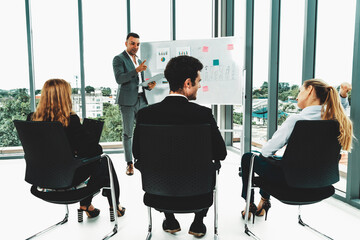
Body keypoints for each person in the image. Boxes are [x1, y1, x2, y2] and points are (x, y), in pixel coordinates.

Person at [132, 55, 227, 238]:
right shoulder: (203, 115)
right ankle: (198, 222)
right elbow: (221, 154)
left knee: (165, 164)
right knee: (208, 166)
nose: (199, 85)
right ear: (188, 83)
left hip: (157, 193)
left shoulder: (146, 115)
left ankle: (170, 219)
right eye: (198, 81)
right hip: (199, 193)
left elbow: (137, 153)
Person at [240, 79, 353, 222]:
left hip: (289, 184)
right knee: (275, 161)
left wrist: (272, 149)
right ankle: (264, 202)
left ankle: (250, 203)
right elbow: (343, 109)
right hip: (321, 184)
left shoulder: (296, 120)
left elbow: (266, 152)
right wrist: (342, 95)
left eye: (300, 91)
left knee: (249, 157)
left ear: (310, 90)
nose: (297, 96)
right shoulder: (337, 120)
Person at [27, 79, 125, 220]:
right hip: (68, 181)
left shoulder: (31, 119)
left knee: (91, 164)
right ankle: (114, 206)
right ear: (64, 97)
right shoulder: (70, 120)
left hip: (42, 181)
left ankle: (87, 206)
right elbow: (96, 151)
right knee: (104, 162)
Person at [112, 32, 156, 176]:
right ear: (126, 43)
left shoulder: (139, 60)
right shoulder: (118, 59)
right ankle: (129, 163)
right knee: (128, 133)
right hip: (127, 101)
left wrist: (149, 86)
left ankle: (144, 159)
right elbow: (120, 78)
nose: (135, 47)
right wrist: (136, 70)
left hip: (142, 99)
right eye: (132, 43)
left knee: (146, 130)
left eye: (138, 44)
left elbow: (139, 82)